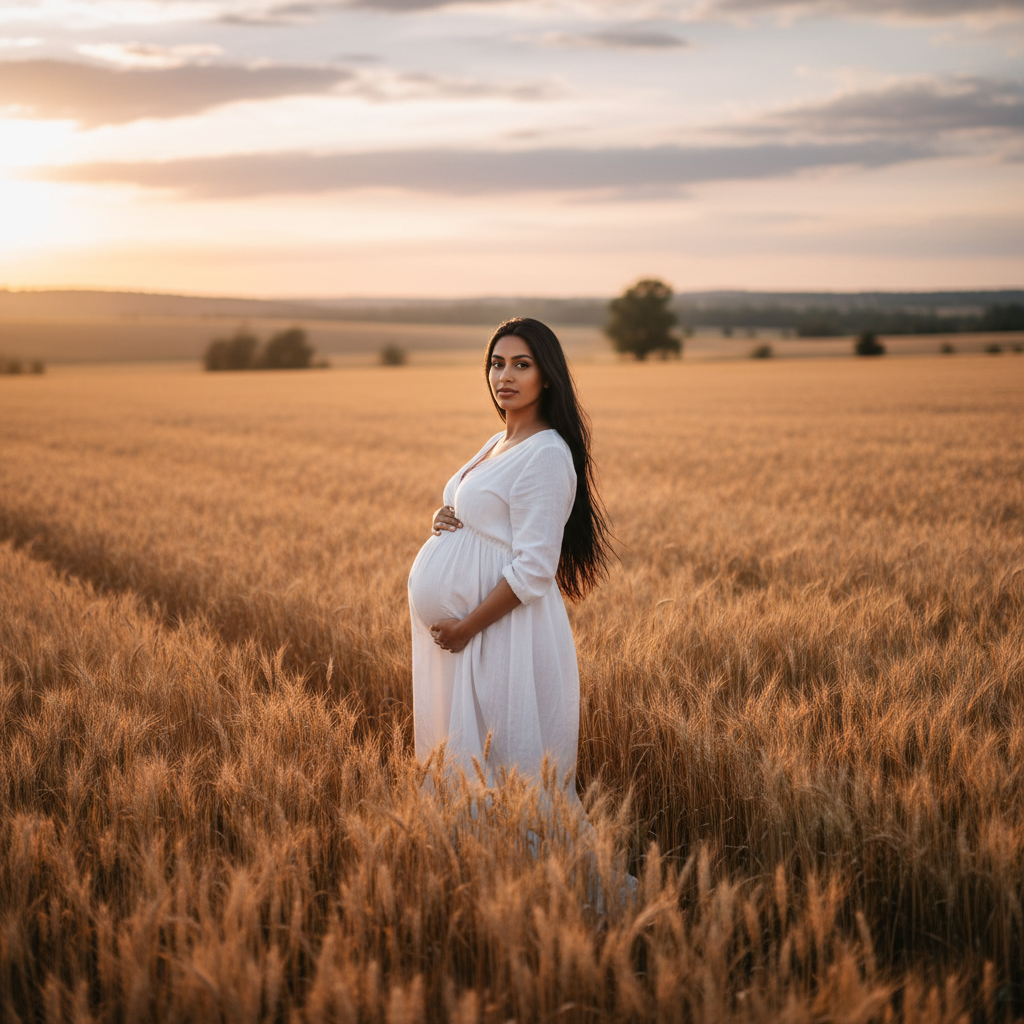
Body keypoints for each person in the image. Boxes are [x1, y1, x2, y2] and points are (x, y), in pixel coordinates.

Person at [407, 317, 611, 801]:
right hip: (469, 637)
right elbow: (485, 514)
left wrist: (466, 627)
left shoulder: (547, 454)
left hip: (500, 634)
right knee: (468, 768)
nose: (505, 376)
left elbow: (535, 569)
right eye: (497, 364)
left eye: (522, 364)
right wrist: (446, 515)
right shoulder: (498, 441)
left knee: (507, 773)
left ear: (548, 376)